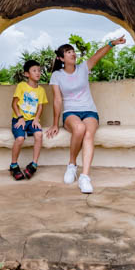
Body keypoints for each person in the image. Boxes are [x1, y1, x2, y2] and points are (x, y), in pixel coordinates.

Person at [46, 35, 126, 193]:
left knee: (88, 134)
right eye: (68, 52)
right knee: (80, 128)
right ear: (61, 58)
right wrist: (55, 123)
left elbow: (98, 54)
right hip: (70, 112)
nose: (73, 54)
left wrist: (112, 43)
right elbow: (57, 100)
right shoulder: (57, 76)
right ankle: (72, 165)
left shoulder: (83, 68)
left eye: (73, 51)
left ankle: (84, 177)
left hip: (90, 111)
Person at [9, 60, 47, 180]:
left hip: (32, 121)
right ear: (27, 74)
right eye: (34, 71)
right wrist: (20, 118)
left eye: (39, 71)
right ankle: (14, 165)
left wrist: (36, 119)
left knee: (39, 135)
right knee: (20, 138)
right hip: (19, 119)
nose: (38, 73)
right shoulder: (21, 86)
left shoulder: (41, 90)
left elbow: (40, 107)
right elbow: (14, 104)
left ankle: (34, 165)